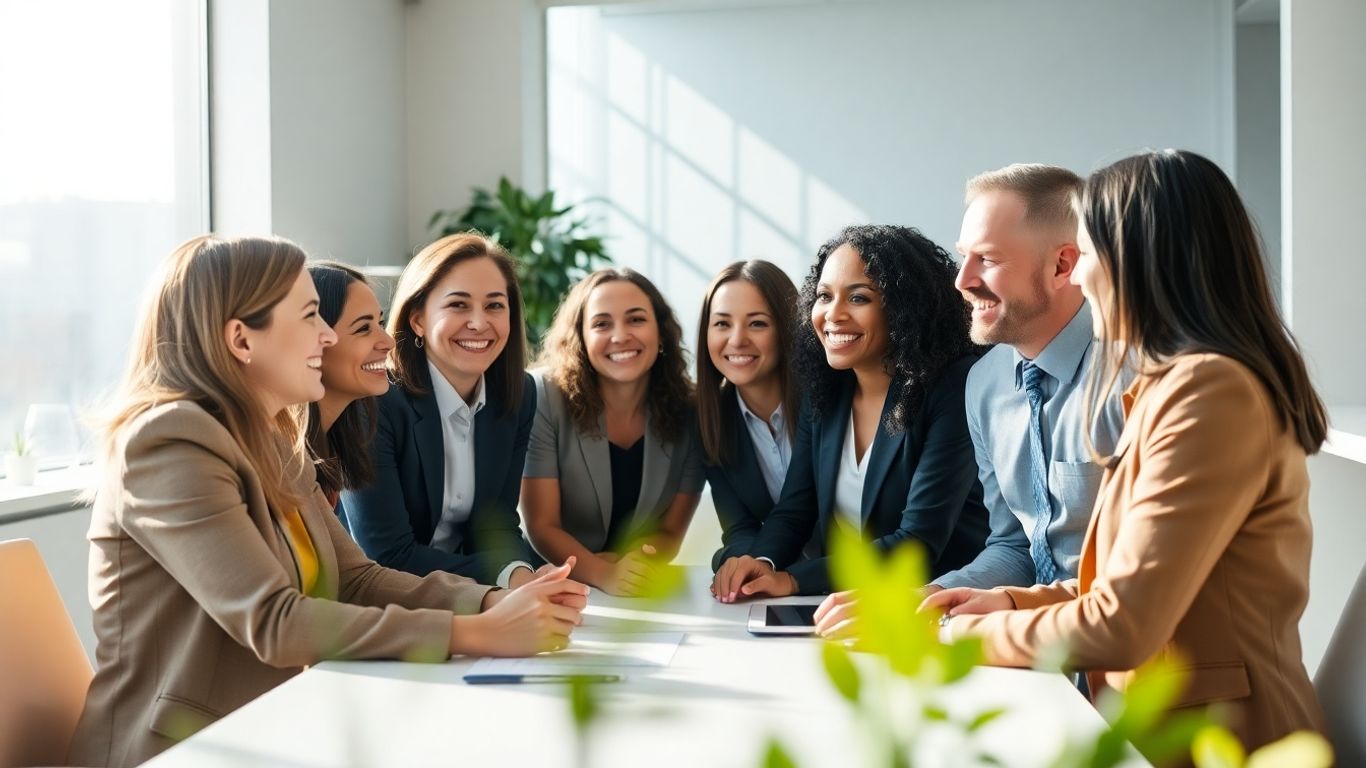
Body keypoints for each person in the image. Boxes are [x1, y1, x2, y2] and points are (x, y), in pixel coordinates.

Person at [68, 235, 587, 768]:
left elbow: (356, 578)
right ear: (242, 340)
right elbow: (274, 621)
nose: (325, 336)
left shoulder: (269, 436)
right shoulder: (169, 440)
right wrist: (474, 633)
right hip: (179, 748)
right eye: (311, 316)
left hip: (271, 727)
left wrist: (488, 602)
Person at [925, 150, 1328, 750]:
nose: (1080, 277)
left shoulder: (1210, 389)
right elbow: (1117, 585)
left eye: (1086, 254)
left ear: (1138, 262)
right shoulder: (1176, 384)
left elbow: (1123, 623)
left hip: (1224, 745)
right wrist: (1006, 599)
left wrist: (960, 638)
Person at [713, 224, 990, 601]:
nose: (833, 315)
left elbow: (918, 544)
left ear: (905, 305)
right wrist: (763, 561)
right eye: (824, 297)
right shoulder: (827, 388)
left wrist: (794, 581)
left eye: (858, 299)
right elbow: (796, 509)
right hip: (849, 606)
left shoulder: (952, 389)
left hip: (939, 607)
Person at [340, 234, 544, 588]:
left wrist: (520, 573)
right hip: (377, 601)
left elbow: (495, 522)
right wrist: (505, 581)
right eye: (459, 305)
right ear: (418, 319)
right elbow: (386, 555)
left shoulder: (518, 393)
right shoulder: (375, 400)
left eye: (495, 305)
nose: (479, 323)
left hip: (465, 596)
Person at [522, 268, 705, 596]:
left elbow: (669, 533)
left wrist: (633, 564)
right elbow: (542, 525)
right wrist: (602, 573)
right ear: (581, 337)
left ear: (661, 332)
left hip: (637, 588)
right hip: (550, 583)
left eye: (636, 319)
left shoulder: (692, 410)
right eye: (602, 324)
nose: (620, 336)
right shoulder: (543, 396)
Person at [693, 260, 805, 574]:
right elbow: (739, 527)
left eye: (757, 323)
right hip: (781, 585)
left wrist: (766, 564)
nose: (737, 339)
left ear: (786, 329)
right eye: (722, 324)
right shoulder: (709, 418)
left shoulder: (824, 401)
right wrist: (741, 562)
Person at [302, 262, 392, 509]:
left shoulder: (331, 447)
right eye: (364, 328)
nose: (389, 341)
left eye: (380, 324)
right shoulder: (285, 460)